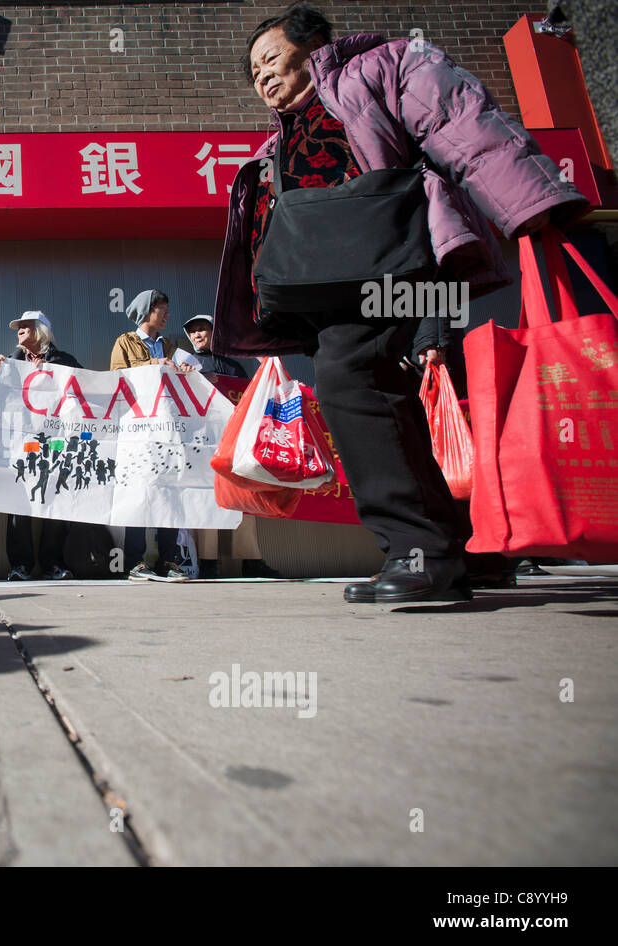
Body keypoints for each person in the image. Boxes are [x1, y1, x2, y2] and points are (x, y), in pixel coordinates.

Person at [213, 3, 588, 602]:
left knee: (351, 373)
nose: (260, 76)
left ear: (311, 44)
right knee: (384, 388)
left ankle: (421, 550)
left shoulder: (382, 68)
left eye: (269, 58)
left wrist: (531, 203)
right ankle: (467, 552)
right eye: (252, 72)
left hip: (400, 260)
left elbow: (464, 123)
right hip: (334, 289)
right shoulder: (274, 142)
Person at [0, 311, 82, 580]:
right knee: (18, 501)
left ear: (41, 330)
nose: (18, 331)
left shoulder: (64, 361)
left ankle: (53, 563)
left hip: (56, 442)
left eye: (25, 327)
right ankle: (20, 565)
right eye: (17, 328)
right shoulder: (11, 362)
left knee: (55, 498)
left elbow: (84, 394)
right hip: (21, 443)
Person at [110, 289, 192, 580]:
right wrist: (157, 365)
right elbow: (117, 376)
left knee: (169, 493)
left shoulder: (170, 345)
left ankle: (168, 560)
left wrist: (184, 370)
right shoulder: (125, 342)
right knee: (138, 494)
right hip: (138, 431)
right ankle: (135, 561)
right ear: (147, 311)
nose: (167, 314)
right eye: (162, 309)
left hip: (168, 432)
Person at [181, 314, 246, 380]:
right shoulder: (186, 365)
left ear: (214, 332)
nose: (196, 335)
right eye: (192, 331)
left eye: (201, 329)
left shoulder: (232, 365)